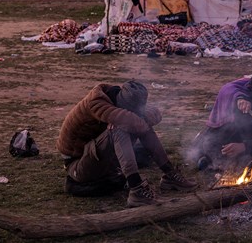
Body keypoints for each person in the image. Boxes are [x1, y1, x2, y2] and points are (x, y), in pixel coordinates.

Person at [56, 81, 197, 207]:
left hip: (98, 160)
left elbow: (155, 112)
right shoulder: (97, 102)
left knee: (136, 124)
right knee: (120, 127)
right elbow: (131, 121)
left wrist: (140, 119)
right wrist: (139, 120)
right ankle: (136, 189)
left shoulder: (118, 97)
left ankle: (170, 174)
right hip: (78, 166)